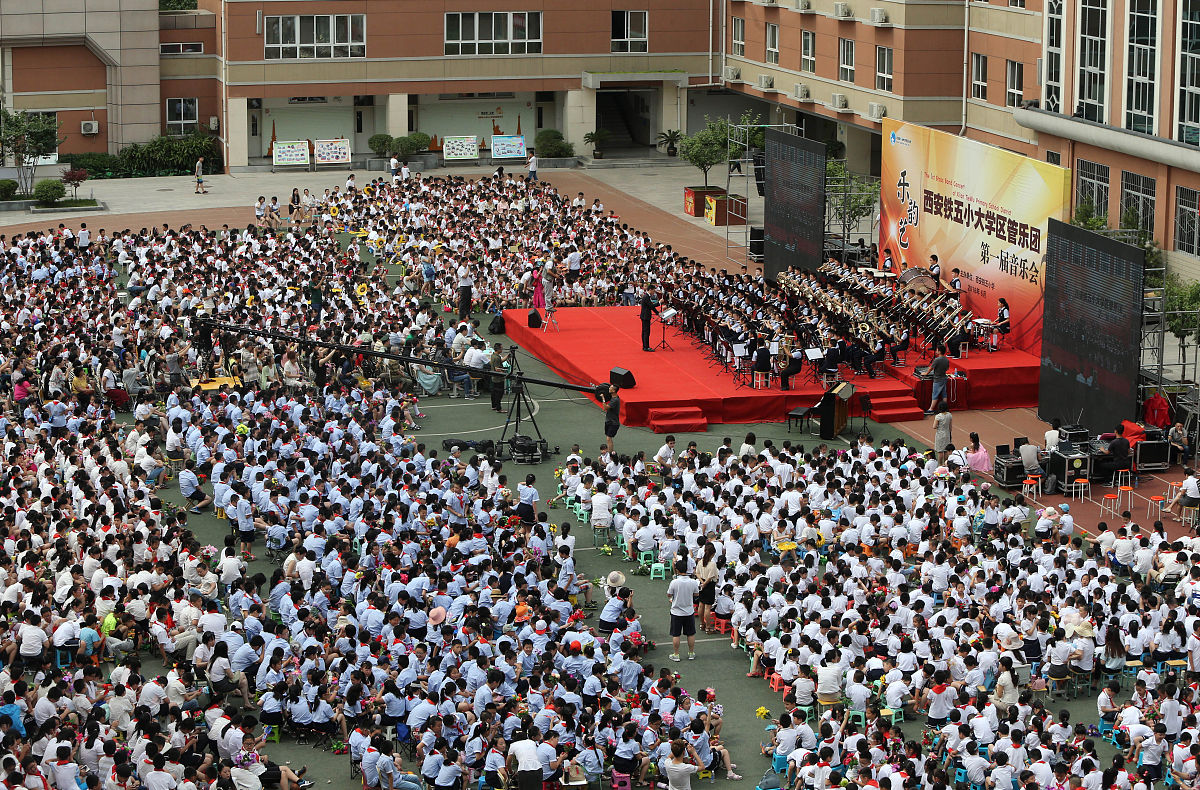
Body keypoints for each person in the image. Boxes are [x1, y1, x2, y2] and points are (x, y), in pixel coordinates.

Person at [666, 559, 699, 662]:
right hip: (689, 611)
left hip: (676, 612)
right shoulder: (693, 582)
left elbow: (669, 594)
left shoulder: (674, 582)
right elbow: (696, 594)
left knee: (676, 634)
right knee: (690, 633)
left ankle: (676, 654)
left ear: (677, 570)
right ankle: (691, 653)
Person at [925, 344, 950, 414]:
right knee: (944, 394)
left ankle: (931, 409)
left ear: (939, 351)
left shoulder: (937, 360)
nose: (936, 351)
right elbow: (947, 368)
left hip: (937, 379)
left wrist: (926, 373)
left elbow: (931, 368)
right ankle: (945, 409)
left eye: (937, 350)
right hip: (944, 377)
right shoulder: (946, 360)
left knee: (935, 394)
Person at [603, 384, 621, 453]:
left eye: (610, 388)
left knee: (608, 438)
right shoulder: (613, 397)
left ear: (613, 390)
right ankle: (610, 451)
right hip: (609, 421)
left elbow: (605, 408)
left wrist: (603, 399)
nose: (609, 388)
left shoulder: (615, 400)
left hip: (613, 423)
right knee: (608, 437)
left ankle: (611, 453)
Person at [640, 287, 659, 352]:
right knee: (646, 332)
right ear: (650, 290)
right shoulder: (646, 296)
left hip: (644, 316)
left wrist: (657, 313)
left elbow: (650, 306)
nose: (654, 293)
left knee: (645, 331)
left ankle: (645, 346)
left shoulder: (647, 296)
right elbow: (651, 306)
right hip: (645, 316)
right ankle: (646, 347)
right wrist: (659, 303)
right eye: (653, 291)